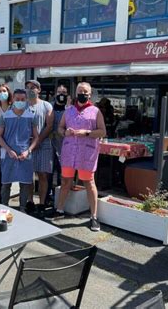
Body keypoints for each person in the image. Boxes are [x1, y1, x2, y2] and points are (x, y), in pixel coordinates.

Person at [45, 82, 106, 231]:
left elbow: (102, 131)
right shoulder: (69, 110)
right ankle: (59, 210)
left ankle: (94, 217)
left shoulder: (95, 111)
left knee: (89, 183)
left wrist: (86, 133)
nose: (82, 94)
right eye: (80, 91)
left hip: (87, 153)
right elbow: (60, 128)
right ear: (75, 93)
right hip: (69, 152)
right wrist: (64, 132)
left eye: (85, 92)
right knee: (66, 181)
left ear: (90, 94)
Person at [0, 89, 39, 211]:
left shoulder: (31, 115)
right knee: (6, 183)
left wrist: (28, 151)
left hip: (25, 155)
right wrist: (9, 150)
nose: (20, 101)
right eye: (17, 99)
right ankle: (3, 208)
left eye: (22, 99)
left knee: (25, 183)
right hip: (7, 155)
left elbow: (36, 137)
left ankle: (22, 208)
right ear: (13, 100)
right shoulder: (5, 116)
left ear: (26, 100)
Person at [25, 79, 54, 217]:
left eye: (33, 87)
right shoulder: (22, 105)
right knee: (28, 175)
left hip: (44, 144)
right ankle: (30, 201)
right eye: (28, 87)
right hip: (26, 146)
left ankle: (42, 203)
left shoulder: (47, 106)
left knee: (42, 175)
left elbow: (49, 126)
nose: (30, 90)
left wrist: (37, 141)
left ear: (39, 90)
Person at [47, 84, 71, 206]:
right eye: (59, 92)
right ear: (55, 93)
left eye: (64, 92)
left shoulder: (69, 109)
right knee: (49, 170)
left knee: (63, 171)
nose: (61, 94)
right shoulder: (49, 107)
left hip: (65, 145)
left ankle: (61, 197)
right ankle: (49, 196)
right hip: (50, 143)